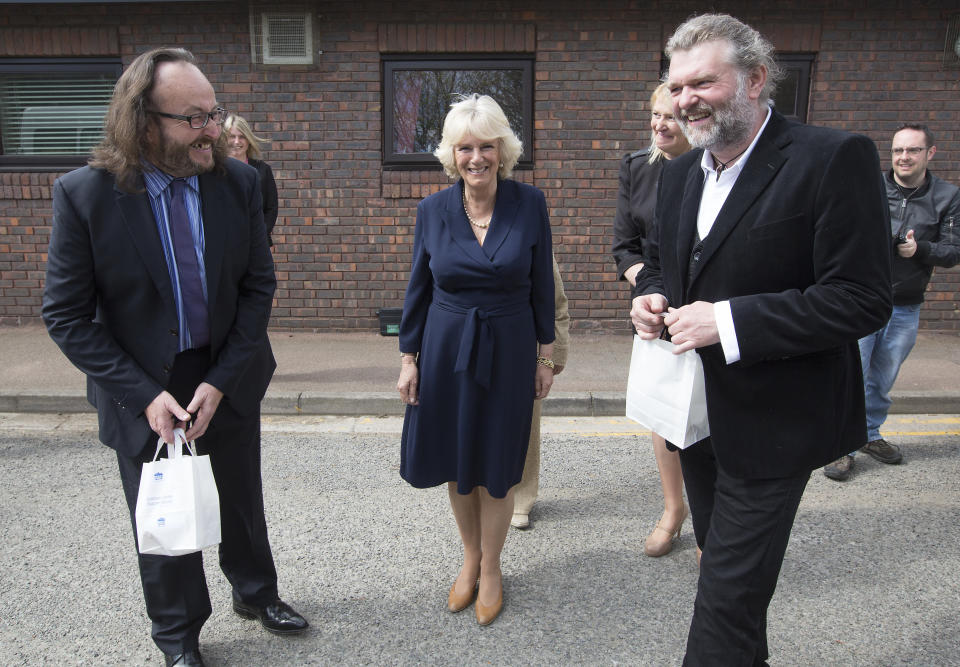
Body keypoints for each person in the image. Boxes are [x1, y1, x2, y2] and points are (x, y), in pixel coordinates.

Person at [631, 14, 891, 664]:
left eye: (702, 81)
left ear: (755, 79)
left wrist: (729, 321)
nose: (685, 97)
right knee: (732, 588)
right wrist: (651, 295)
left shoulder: (834, 157)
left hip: (778, 424)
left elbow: (862, 298)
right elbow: (668, 262)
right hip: (697, 418)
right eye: (676, 83)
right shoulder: (681, 174)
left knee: (721, 603)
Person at [41, 47, 307, 667]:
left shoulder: (237, 182)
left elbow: (256, 289)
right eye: (193, 119)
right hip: (141, 384)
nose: (212, 131)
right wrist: (143, 395)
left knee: (241, 496)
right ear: (143, 123)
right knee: (163, 514)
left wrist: (220, 379)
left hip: (226, 371)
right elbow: (66, 317)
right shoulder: (85, 197)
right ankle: (178, 634)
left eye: (212, 113)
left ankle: (255, 593)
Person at [396, 93, 555, 627]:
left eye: (487, 146)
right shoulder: (432, 210)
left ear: (502, 151)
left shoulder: (530, 203)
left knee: (498, 465)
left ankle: (493, 568)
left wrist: (545, 353)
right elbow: (417, 288)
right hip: (445, 348)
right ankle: (470, 557)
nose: (476, 158)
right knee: (457, 458)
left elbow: (539, 287)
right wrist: (408, 358)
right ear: (452, 154)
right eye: (466, 148)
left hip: (509, 348)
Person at [824, 123, 960, 481]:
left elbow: (953, 250)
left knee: (882, 378)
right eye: (898, 150)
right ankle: (843, 447)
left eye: (913, 150)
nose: (903, 157)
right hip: (862, 299)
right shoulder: (870, 188)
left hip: (905, 305)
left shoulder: (948, 196)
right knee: (853, 374)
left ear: (929, 153)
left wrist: (921, 249)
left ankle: (869, 434)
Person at [612, 82, 693, 558]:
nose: (661, 125)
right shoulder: (637, 168)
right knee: (665, 418)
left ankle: (712, 520)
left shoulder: (712, 166)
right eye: (655, 116)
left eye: (671, 117)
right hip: (658, 308)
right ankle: (673, 509)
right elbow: (625, 247)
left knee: (709, 420)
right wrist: (652, 290)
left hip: (706, 310)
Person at [511, 255, 570, 530]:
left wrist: (554, 354)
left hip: (523, 344)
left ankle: (521, 497)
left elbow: (555, 299)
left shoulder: (528, 228)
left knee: (525, 424)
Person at [224, 113, 279, 247]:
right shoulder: (214, 171)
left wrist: (259, 235)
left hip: (257, 243)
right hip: (225, 244)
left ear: (249, 140)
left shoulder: (263, 170)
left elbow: (271, 208)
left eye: (242, 137)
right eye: (232, 136)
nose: (237, 142)